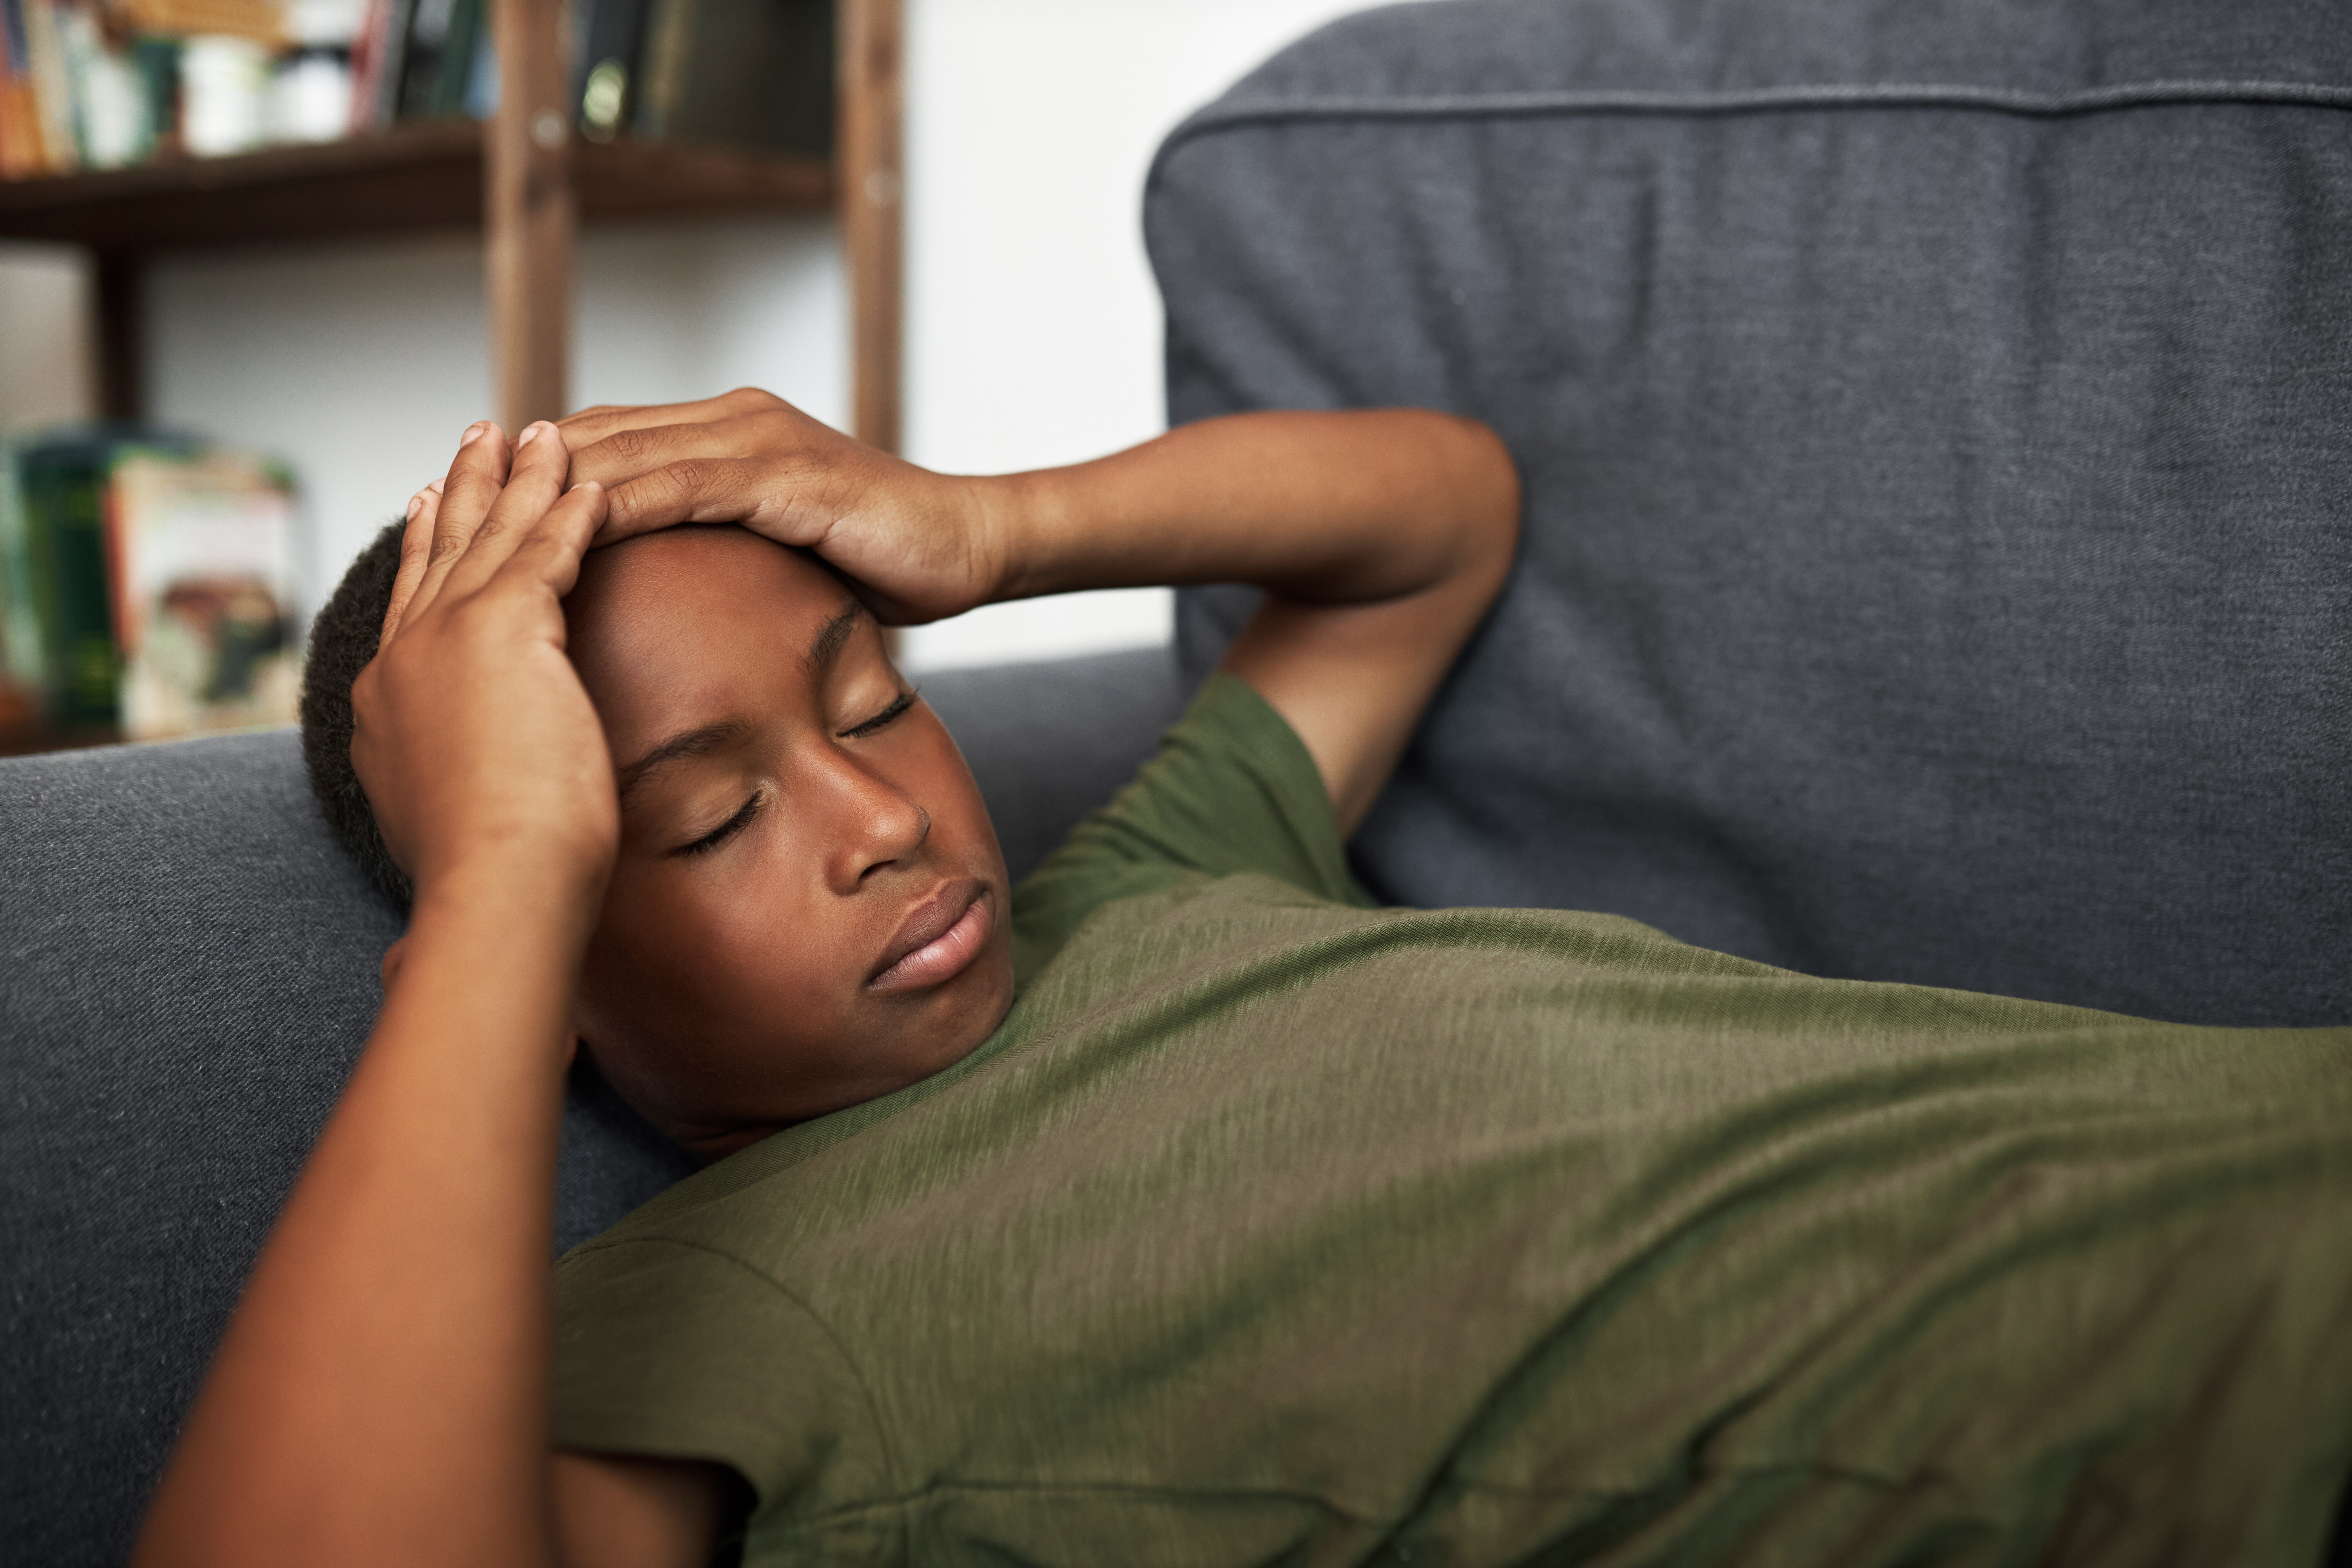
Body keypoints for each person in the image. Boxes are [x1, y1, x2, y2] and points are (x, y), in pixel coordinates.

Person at [134, 390, 2352, 1568]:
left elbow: (1439, 515)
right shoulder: (715, 1336)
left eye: (876, 698)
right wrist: (508, 867)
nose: (883, 815)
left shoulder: (1159, 878)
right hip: (2222, 1411)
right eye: (707, 819)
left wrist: (981, 525)